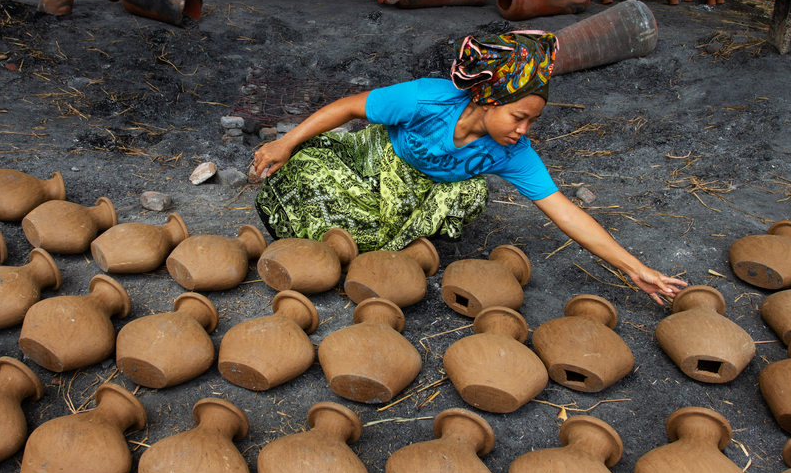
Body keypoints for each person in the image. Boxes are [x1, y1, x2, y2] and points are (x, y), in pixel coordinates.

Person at [252, 31, 685, 304]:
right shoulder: (428, 99)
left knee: (469, 191)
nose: (524, 129)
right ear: (486, 99)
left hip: (423, 198)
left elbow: (564, 210)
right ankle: (372, 245)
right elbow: (348, 107)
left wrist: (633, 267)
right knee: (307, 167)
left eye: (532, 121)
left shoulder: (511, 151)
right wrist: (286, 143)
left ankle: (370, 246)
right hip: (374, 166)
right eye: (519, 117)